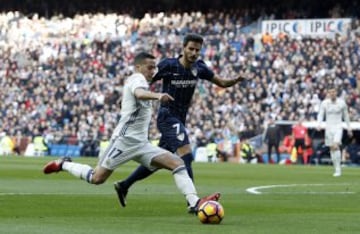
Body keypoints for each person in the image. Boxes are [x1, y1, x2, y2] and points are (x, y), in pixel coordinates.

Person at [43, 52, 220, 213]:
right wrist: (158, 96)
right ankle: (64, 164)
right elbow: (139, 93)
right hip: (124, 141)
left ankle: (195, 203)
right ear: (138, 67)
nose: (153, 71)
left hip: (141, 144)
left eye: (154, 67)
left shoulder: (143, 80)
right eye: (150, 67)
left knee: (177, 163)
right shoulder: (137, 79)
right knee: (97, 178)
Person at [114, 33, 250, 207]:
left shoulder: (199, 68)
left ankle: (124, 185)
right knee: (186, 154)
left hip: (180, 119)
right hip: (167, 117)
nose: (194, 53)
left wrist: (235, 80)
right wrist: (126, 98)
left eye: (197, 50)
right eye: (191, 49)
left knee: (157, 161)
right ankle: (193, 202)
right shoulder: (168, 65)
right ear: (183, 48)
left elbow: (221, 83)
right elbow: (143, 80)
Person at [317, 86, 352, 177]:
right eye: (330, 92)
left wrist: (349, 127)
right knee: (332, 149)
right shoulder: (325, 103)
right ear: (328, 93)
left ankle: (338, 169)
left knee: (336, 146)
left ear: (336, 93)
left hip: (338, 127)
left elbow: (346, 116)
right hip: (328, 128)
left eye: (334, 92)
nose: (332, 93)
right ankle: (336, 167)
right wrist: (319, 124)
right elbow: (321, 114)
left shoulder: (341, 103)